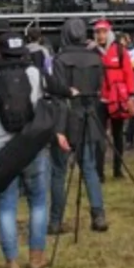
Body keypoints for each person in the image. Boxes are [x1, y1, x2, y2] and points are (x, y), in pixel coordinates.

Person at [0, 32, 50, 268]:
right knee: (39, 202)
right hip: (30, 143)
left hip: (1, 144)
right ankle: (36, 257)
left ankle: (11, 261)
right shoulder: (34, 74)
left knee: (6, 205)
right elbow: (39, 104)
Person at [46, 17, 108, 234]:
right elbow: (100, 85)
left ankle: (55, 220)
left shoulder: (60, 59)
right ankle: (98, 214)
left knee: (59, 171)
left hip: (67, 115)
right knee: (89, 167)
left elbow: (59, 95)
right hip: (89, 115)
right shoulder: (96, 58)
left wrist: (58, 129)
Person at [93, 18, 134, 182]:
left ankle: (118, 169)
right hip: (100, 100)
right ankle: (99, 172)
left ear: (109, 33)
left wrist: (131, 96)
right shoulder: (93, 52)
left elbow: (129, 73)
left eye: (103, 32)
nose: (101, 35)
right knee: (99, 137)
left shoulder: (119, 50)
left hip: (118, 99)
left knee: (118, 135)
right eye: (98, 32)